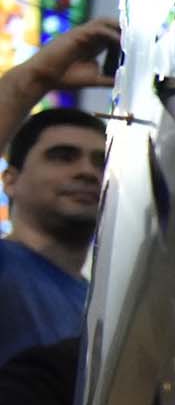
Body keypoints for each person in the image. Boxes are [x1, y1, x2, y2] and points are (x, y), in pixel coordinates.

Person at [0, 18, 118, 369]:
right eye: (62, 156)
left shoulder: (98, 304)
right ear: (10, 180)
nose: (86, 171)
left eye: (101, 162)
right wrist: (35, 77)